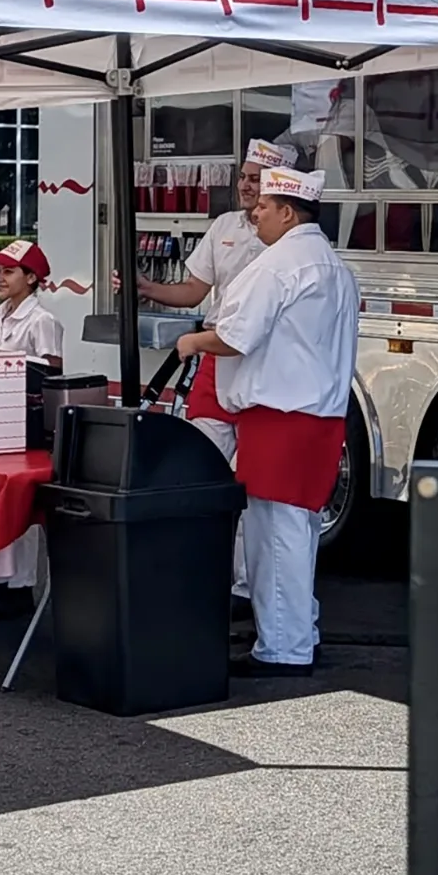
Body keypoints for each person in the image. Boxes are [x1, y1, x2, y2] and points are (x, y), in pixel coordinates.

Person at [175, 166, 359, 674]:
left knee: (273, 536)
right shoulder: (334, 266)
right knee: (299, 532)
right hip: (320, 417)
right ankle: (301, 631)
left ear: (287, 212)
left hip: (279, 417)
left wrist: (192, 340)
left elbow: (234, 337)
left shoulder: (278, 265)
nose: (254, 214)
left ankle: (282, 647)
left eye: (263, 207)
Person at [134, 140, 296, 611]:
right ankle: (193, 573)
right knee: (199, 467)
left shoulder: (288, 240)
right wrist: (146, 287)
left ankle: (245, 588)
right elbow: (193, 291)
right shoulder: (224, 225)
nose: (245, 186)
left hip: (262, 364)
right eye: (243, 176)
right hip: (214, 356)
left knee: (252, 480)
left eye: (256, 179)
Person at [0, 238, 66, 621]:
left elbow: (51, 375)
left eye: (8, 271)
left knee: (20, 505)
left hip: (26, 426)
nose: (0, 278)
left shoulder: (42, 321)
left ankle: (20, 585)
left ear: (32, 277)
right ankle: (3, 582)